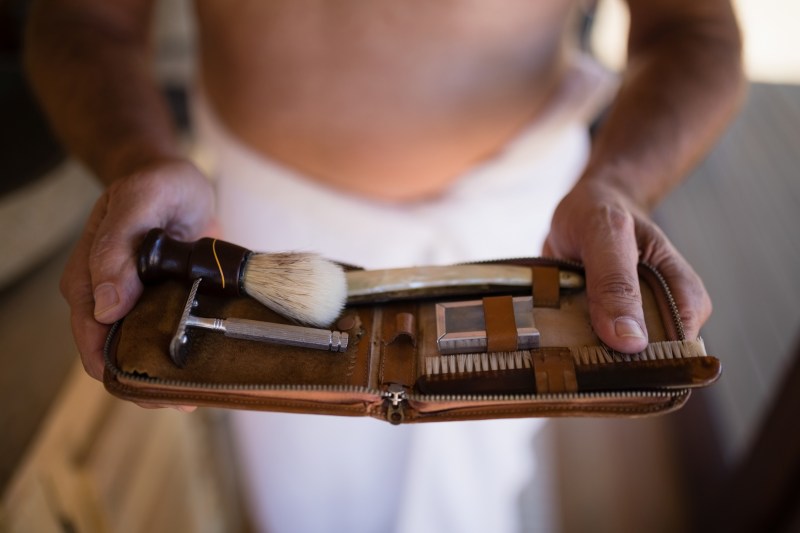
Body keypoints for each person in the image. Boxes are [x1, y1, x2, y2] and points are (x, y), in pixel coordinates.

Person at [25, 0, 743, 531]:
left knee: (469, 499)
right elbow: (81, 21)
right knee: (303, 501)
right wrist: (135, 157)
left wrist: (620, 182)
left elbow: (694, 30)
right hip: (263, 244)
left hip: (525, 229)